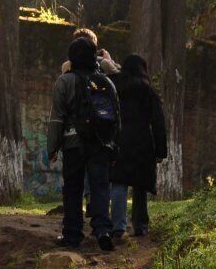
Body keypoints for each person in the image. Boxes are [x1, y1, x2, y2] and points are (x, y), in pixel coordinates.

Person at [47, 37, 121, 251]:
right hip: (101, 144)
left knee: (73, 189)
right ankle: (103, 230)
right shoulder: (107, 82)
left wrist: (53, 147)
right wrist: (114, 147)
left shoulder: (64, 81)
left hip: (73, 144)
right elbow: (117, 118)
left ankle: (72, 234)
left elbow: (57, 118)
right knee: (99, 187)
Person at [109, 54, 167, 238]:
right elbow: (158, 122)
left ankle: (118, 225)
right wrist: (160, 151)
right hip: (143, 142)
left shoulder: (116, 88)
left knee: (119, 182)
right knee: (140, 184)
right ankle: (140, 225)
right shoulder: (148, 91)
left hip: (120, 140)